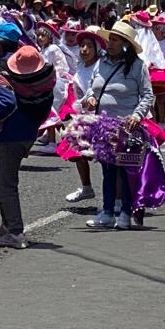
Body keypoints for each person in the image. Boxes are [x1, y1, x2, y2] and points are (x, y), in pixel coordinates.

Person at [0, 25, 55, 249]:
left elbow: (6, 103)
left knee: (6, 184)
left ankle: (15, 231)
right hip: (28, 132)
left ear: (1, 43)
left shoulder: (5, 70)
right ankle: (8, 222)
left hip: (11, 134)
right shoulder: (35, 71)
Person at [83, 21, 155, 230]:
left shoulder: (138, 66)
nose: (110, 44)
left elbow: (147, 95)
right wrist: (90, 98)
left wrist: (137, 115)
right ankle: (107, 212)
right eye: (110, 40)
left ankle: (125, 213)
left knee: (125, 172)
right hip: (103, 126)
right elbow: (91, 88)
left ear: (126, 45)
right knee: (108, 171)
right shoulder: (101, 63)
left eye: (115, 40)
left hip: (126, 127)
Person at [63, 26, 103, 202]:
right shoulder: (80, 67)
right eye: (82, 45)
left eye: (89, 46)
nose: (84, 49)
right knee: (78, 152)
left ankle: (112, 197)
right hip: (84, 115)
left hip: (102, 116)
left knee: (105, 157)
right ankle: (86, 187)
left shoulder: (102, 67)